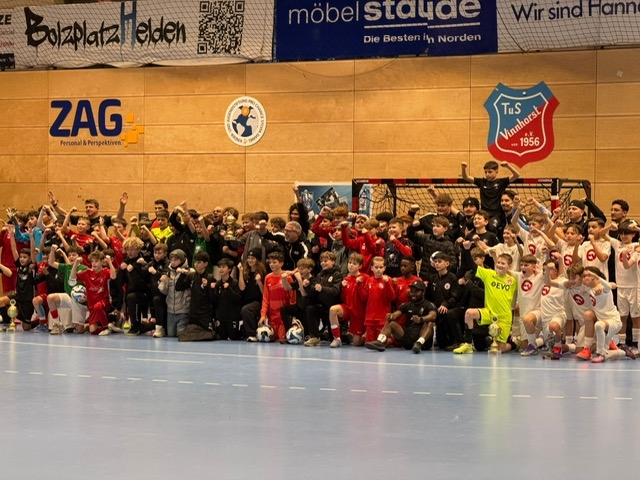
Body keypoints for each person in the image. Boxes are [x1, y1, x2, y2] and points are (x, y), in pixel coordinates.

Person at [454, 253, 518, 354]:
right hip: (489, 312)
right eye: (498, 262)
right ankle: (468, 344)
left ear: (509, 266)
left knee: (500, 349)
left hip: (504, 318)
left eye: (503, 263)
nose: (499, 265)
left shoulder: (513, 281)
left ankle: (515, 343)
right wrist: (466, 250)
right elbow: (473, 266)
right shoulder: (489, 274)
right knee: (469, 313)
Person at [364, 280, 437, 354]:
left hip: (423, 342)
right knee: (391, 323)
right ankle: (380, 342)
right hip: (408, 338)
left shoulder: (429, 305)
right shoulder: (406, 305)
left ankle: (419, 343)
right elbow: (396, 314)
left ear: (423, 292)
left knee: (430, 323)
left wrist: (421, 319)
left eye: (416, 291)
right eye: (412, 291)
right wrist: (391, 316)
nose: (413, 294)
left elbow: (433, 316)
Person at [576, 267, 629, 363]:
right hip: (602, 321)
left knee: (599, 325)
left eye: (587, 275)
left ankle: (600, 354)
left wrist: (598, 279)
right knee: (588, 315)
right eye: (583, 276)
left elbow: (609, 286)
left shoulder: (603, 288)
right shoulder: (588, 288)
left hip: (614, 321)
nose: (584, 278)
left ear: (594, 277)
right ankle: (620, 351)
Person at [520, 257, 567, 359]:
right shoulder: (543, 279)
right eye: (544, 270)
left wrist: (560, 259)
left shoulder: (562, 281)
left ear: (556, 271)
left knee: (553, 329)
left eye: (548, 270)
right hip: (542, 313)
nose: (545, 272)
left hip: (557, 314)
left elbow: (561, 273)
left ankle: (560, 346)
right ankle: (532, 345)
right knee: (527, 319)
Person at [460, 160, 520, 229]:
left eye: (490, 172)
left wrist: (508, 166)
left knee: (492, 227)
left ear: (496, 172)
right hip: (484, 213)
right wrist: (463, 168)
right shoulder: (482, 182)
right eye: (485, 172)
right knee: (469, 224)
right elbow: (466, 177)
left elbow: (516, 175)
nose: (487, 174)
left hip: (497, 214)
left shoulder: (501, 182)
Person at [69, 250, 117, 335]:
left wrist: (109, 262)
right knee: (93, 331)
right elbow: (72, 278)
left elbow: (113, 276)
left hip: (104, 302)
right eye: (92, 261)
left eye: (96, 261)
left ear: (102, 262)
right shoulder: (87, 273)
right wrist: (76, 263)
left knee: (98, 306)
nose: (93, 263)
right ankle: (109, 325)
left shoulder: (105, 271)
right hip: (91, 306)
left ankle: (106, 328)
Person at [0, 224, 36, 329]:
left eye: (25, 257)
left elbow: (33, 252)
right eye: (21, 257)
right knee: (1, 301)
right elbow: (14, 248)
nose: (22, 259)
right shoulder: (19, 266)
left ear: (29, 259)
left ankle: (37, 322)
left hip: (27, 302)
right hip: (17, 297)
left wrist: (31, 237)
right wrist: (11, 235)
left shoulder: (32, 267)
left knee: (26, 328)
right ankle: (7, 322)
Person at [328, 253, 368, 347]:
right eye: (349, 263)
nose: (351, 265)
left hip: (359, 313)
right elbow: (343, 299)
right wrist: (343, 288)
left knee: (356, 343)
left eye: (354, 263)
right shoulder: (346, 279)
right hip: (348, 308)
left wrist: (359, 285)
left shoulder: (365, 278)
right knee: (333, 310)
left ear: (360, 266)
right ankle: (337, 338)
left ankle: (367, 335)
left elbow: (365, 298)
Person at [303, 251, 343, 347]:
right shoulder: (320, 275)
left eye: (326, 261)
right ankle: (314, 337)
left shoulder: (337, 274)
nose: (323, 263)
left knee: (332, 338)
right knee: (310, 309)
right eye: (321, 261)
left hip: (333, 308)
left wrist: (323, 289)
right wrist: (307, 286)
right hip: (323, 307)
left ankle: (342, 336)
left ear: (333, 262)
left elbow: (336, 291)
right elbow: (314, 292)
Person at [425, 251, 460, 350]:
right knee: (441, 344)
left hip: (449, 309)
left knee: (447, 313)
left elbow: (455, 297)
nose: (437, 264)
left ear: (447, 263)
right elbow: (428, 297)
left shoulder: (452, 278)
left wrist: (446, 304)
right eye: (435, 262)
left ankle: (456, 340)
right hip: (436, 309)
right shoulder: (433, 278)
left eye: (440, 261)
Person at [259, 251, 295, 341]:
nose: (271, 264)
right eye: (270, 262)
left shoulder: (288, 277)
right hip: (271, 319)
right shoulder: (267, 278)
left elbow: (293, 298)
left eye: (274, 262)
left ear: (281, 264)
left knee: (282, 339)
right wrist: (263, 315)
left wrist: (293, 316)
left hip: (283, 319)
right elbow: (265, 298)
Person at [359, 256, 396, 343]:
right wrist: (359, 286)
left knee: (382, 342)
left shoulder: (388, 280)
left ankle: (392, 340)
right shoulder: (369, 281)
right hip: (370, 318)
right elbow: (364, 298)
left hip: (382, 318)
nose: (378, 270)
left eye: (380, 267)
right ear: (371, 268)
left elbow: (392, 297)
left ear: (384, 268)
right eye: (376, 267)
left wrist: (387, 283)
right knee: (369, 343)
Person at [158, 249, 191, 338]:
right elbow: (164, 292)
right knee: (170, 334)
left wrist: (184, 273)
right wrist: (164, 282)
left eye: (176, 260)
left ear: (182, 259)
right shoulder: (168, 272)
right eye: (171, 260)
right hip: (170, 311)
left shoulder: (189, 271)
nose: (173, 262)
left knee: (181, 335)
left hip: (183, 310)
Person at [238, 248, 266, 342]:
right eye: (249, 258)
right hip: (246, 300)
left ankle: (252, 334)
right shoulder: (245, 271)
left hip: (258, 301)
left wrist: (259, 282)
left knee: (246, 310)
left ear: (257, 260)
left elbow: (264, 293)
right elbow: (242, 288)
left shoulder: (262, 273)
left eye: (253, 258)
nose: (250, 260)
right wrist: (241, 272)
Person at [211, 258, 243, 340]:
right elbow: (214, 301)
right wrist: (212, 290)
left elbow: (237, 299)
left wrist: (229, 289)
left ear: (229, 269)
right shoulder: (217, 284)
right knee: (221, 337)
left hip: (232, 317)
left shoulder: (234, 283)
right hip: (221, 317)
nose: (221, 269)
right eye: (219, 267)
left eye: (223, 267)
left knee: (234, 337)